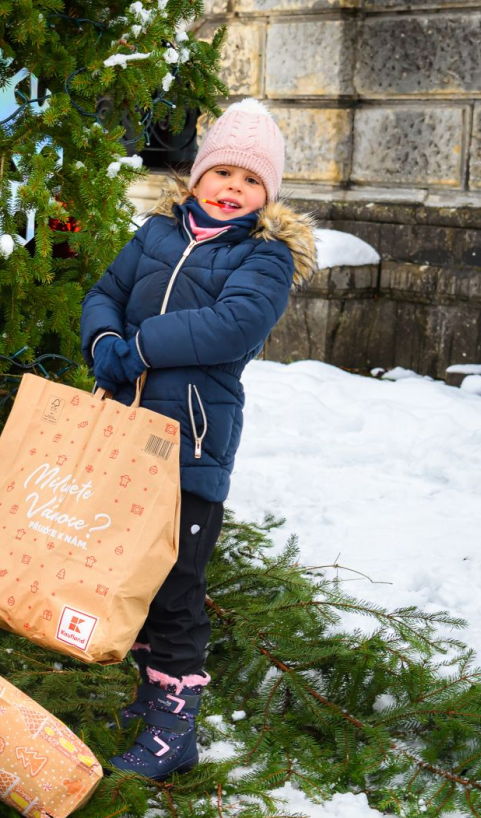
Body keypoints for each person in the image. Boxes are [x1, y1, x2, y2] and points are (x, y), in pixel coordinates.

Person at [79, 99, 316, 779]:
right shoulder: (156, 232)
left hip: (191, 444)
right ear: (199, 174)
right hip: (124, 430)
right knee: (131, 570)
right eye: (224, 172)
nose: (233, 187)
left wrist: (141, 345)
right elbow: (105, 292)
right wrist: (103, 341)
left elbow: (232, 326)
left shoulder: (266, 256)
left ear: (266, 194)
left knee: (176, 582)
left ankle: (175, 728)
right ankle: (149, 697)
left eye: (251, 179)